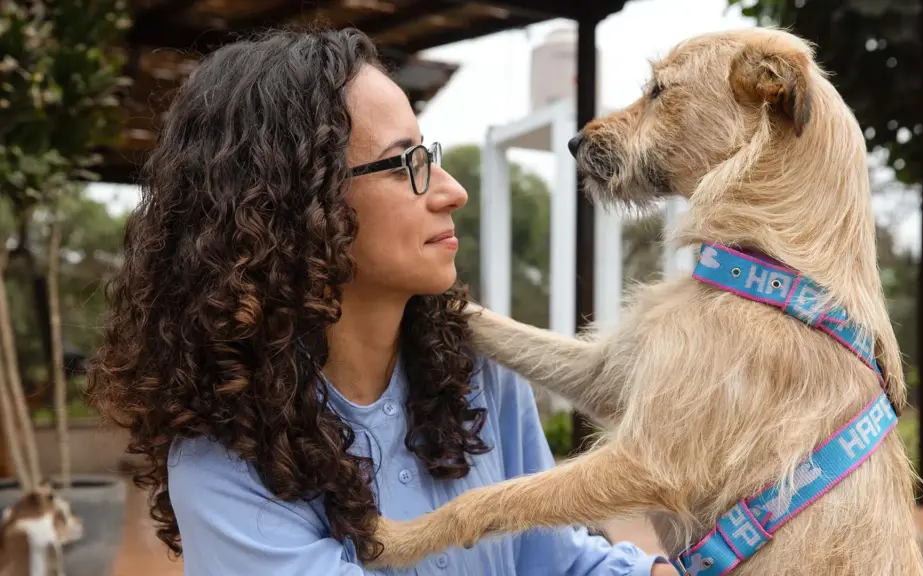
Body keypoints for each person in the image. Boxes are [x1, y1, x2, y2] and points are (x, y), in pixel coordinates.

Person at [86, 28, 675, 576]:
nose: (452, 191)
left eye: (431, 155)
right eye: (405, 164)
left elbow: (557, 559)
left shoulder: (477, 374)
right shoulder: (224, 462)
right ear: (293, 205)